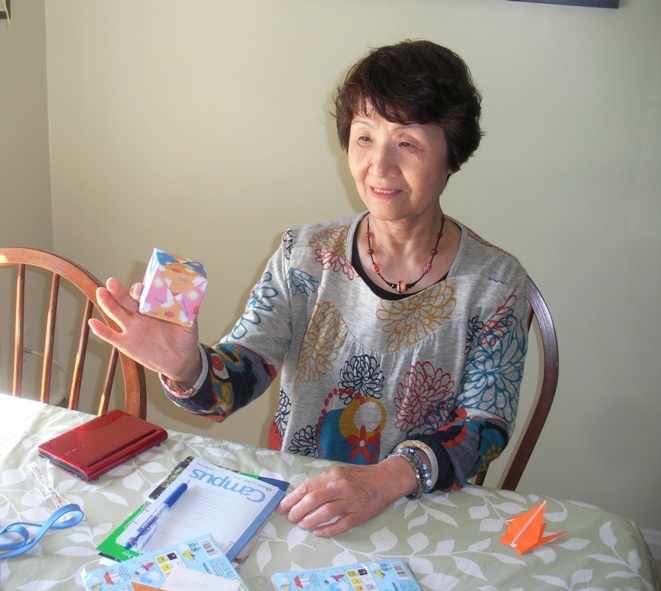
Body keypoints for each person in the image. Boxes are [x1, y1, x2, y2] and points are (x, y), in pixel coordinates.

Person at [90, 39, 529, 538]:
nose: (379, 167)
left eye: (407, 143)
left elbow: (485, 426)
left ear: (451, 155)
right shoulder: (303, 254)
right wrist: (186, 366)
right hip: (303, 506)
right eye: (364, 138)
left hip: (421, 514)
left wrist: (387, 479)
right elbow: (234, 384)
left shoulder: (495, 284)